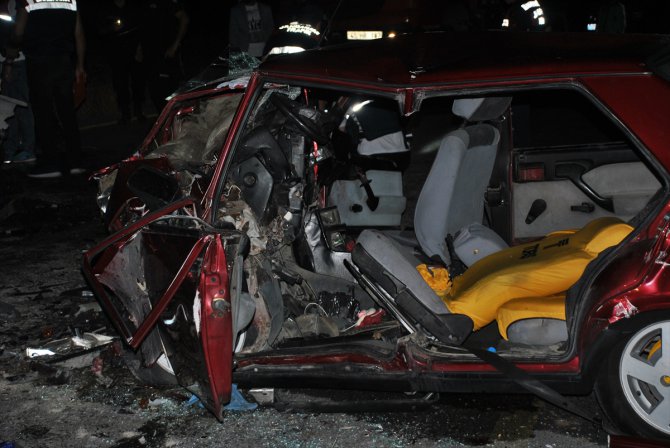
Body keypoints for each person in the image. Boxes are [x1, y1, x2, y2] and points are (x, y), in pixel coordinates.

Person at [6, 0, 86, 178]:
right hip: (64, 61)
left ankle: (51, 163)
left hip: (39, 61)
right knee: (67, 111)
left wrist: (9, 58)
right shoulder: (70, 0)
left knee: (43, 112)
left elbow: (18, 32)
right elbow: (79, 33)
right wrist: (80, 65)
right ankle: (75, 161)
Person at [0, 0, 36, 164]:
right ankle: (12, 150)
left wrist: (9, 62)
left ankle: (26, 149)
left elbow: (17, 33)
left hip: (15, 62)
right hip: (8, 62)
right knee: (9, 109)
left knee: (19, 108)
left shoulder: (14, 4)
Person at [99, 0, 145, 124]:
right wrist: (112, 28)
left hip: (134, 52)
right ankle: (125, 113)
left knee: (138, 83)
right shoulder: (106, 8)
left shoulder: (133, 6)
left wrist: (140, 48)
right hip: (116, 54)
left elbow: (141, 28)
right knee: (120, 85)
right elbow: (99, 30)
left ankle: (139, 111)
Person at [140, 0, 189, 113]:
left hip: (166, 55)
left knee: (168, 90)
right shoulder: (145, 4)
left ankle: (172, 117)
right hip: (150, 55)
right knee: (153, 88)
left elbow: (185, 19)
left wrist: (175, 45)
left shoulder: (169, 3)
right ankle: (162, 117)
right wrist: (140, 48)